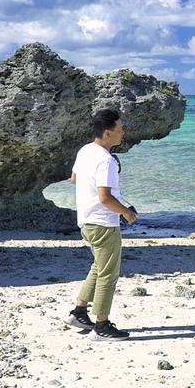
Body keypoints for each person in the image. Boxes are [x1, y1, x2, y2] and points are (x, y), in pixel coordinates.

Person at [64, 108, 138, 342]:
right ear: (107, 133)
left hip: (86, 220)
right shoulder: (106, 160)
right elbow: (105, 198)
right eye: (120, 129)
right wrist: (126, 212)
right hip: (103, 223)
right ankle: (101, 326)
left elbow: (74, 179)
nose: (123, 132)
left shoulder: (86, 150)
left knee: (99, 267)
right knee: (108, 274)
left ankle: (79, 312)